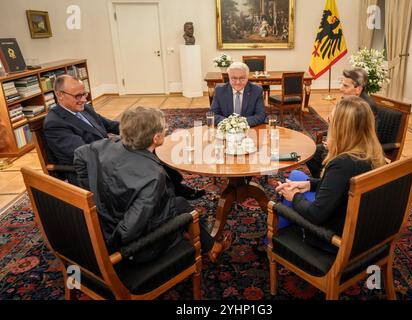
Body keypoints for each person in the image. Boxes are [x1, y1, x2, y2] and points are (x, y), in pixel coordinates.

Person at [74, 107, 231, 263]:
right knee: (183, 209)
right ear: (156, 138)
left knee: (179, 203)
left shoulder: (106, 144)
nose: (167, 129)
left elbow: (79, 155)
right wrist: (111, 250)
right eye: (165, 128)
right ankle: (209, 245)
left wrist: (91, 198)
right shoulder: (153, 177)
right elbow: (127, 231)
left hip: (111, 213)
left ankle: (206, 242)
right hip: (138, 251)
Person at [44, 75, 204, 200]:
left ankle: (174, 187)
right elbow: (82, 154)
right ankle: (163, 195)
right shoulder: (55, 123)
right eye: (77, 96)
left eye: (84, 94)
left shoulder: (84, 108)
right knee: (144, 154)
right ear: (60, 95)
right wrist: (121, 144)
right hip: (94, 168)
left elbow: (109, 124)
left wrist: (140, 130)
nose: (84, 99)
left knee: (149, 145)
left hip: (107, 154)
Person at [275, 96, 385, 253]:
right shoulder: (371, 152)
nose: (329, 125)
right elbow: (342, 185)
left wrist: (295, 196)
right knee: (296, 176)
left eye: (331, 121)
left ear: (342, 129)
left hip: (333, 236)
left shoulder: (343, 163)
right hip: (360, 222)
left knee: (286, 195)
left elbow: (316, 215)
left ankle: (274, 242)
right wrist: (309, 184)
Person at [306, 68, 380, 178]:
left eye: (345, 86)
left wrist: (335, 143)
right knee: (312, 152)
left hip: (356, 154)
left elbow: (362, 139)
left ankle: (325, 183)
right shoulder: (349, 101)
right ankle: (322, 182)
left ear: (358, 89)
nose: (341, 89)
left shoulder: (365, 107)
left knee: (317, 154)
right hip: (343, 144)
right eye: (342, 84)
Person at [210, 62, 266, 127]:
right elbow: (213, 114)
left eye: (242, 78)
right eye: (234, 78)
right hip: (227, 130)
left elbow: (261, 116)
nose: (238, 82)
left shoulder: (256, 90)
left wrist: (240, 124)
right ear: (229, 77)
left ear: (247, 77)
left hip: (248, 129)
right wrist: (230, 123)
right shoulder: (220, 90)